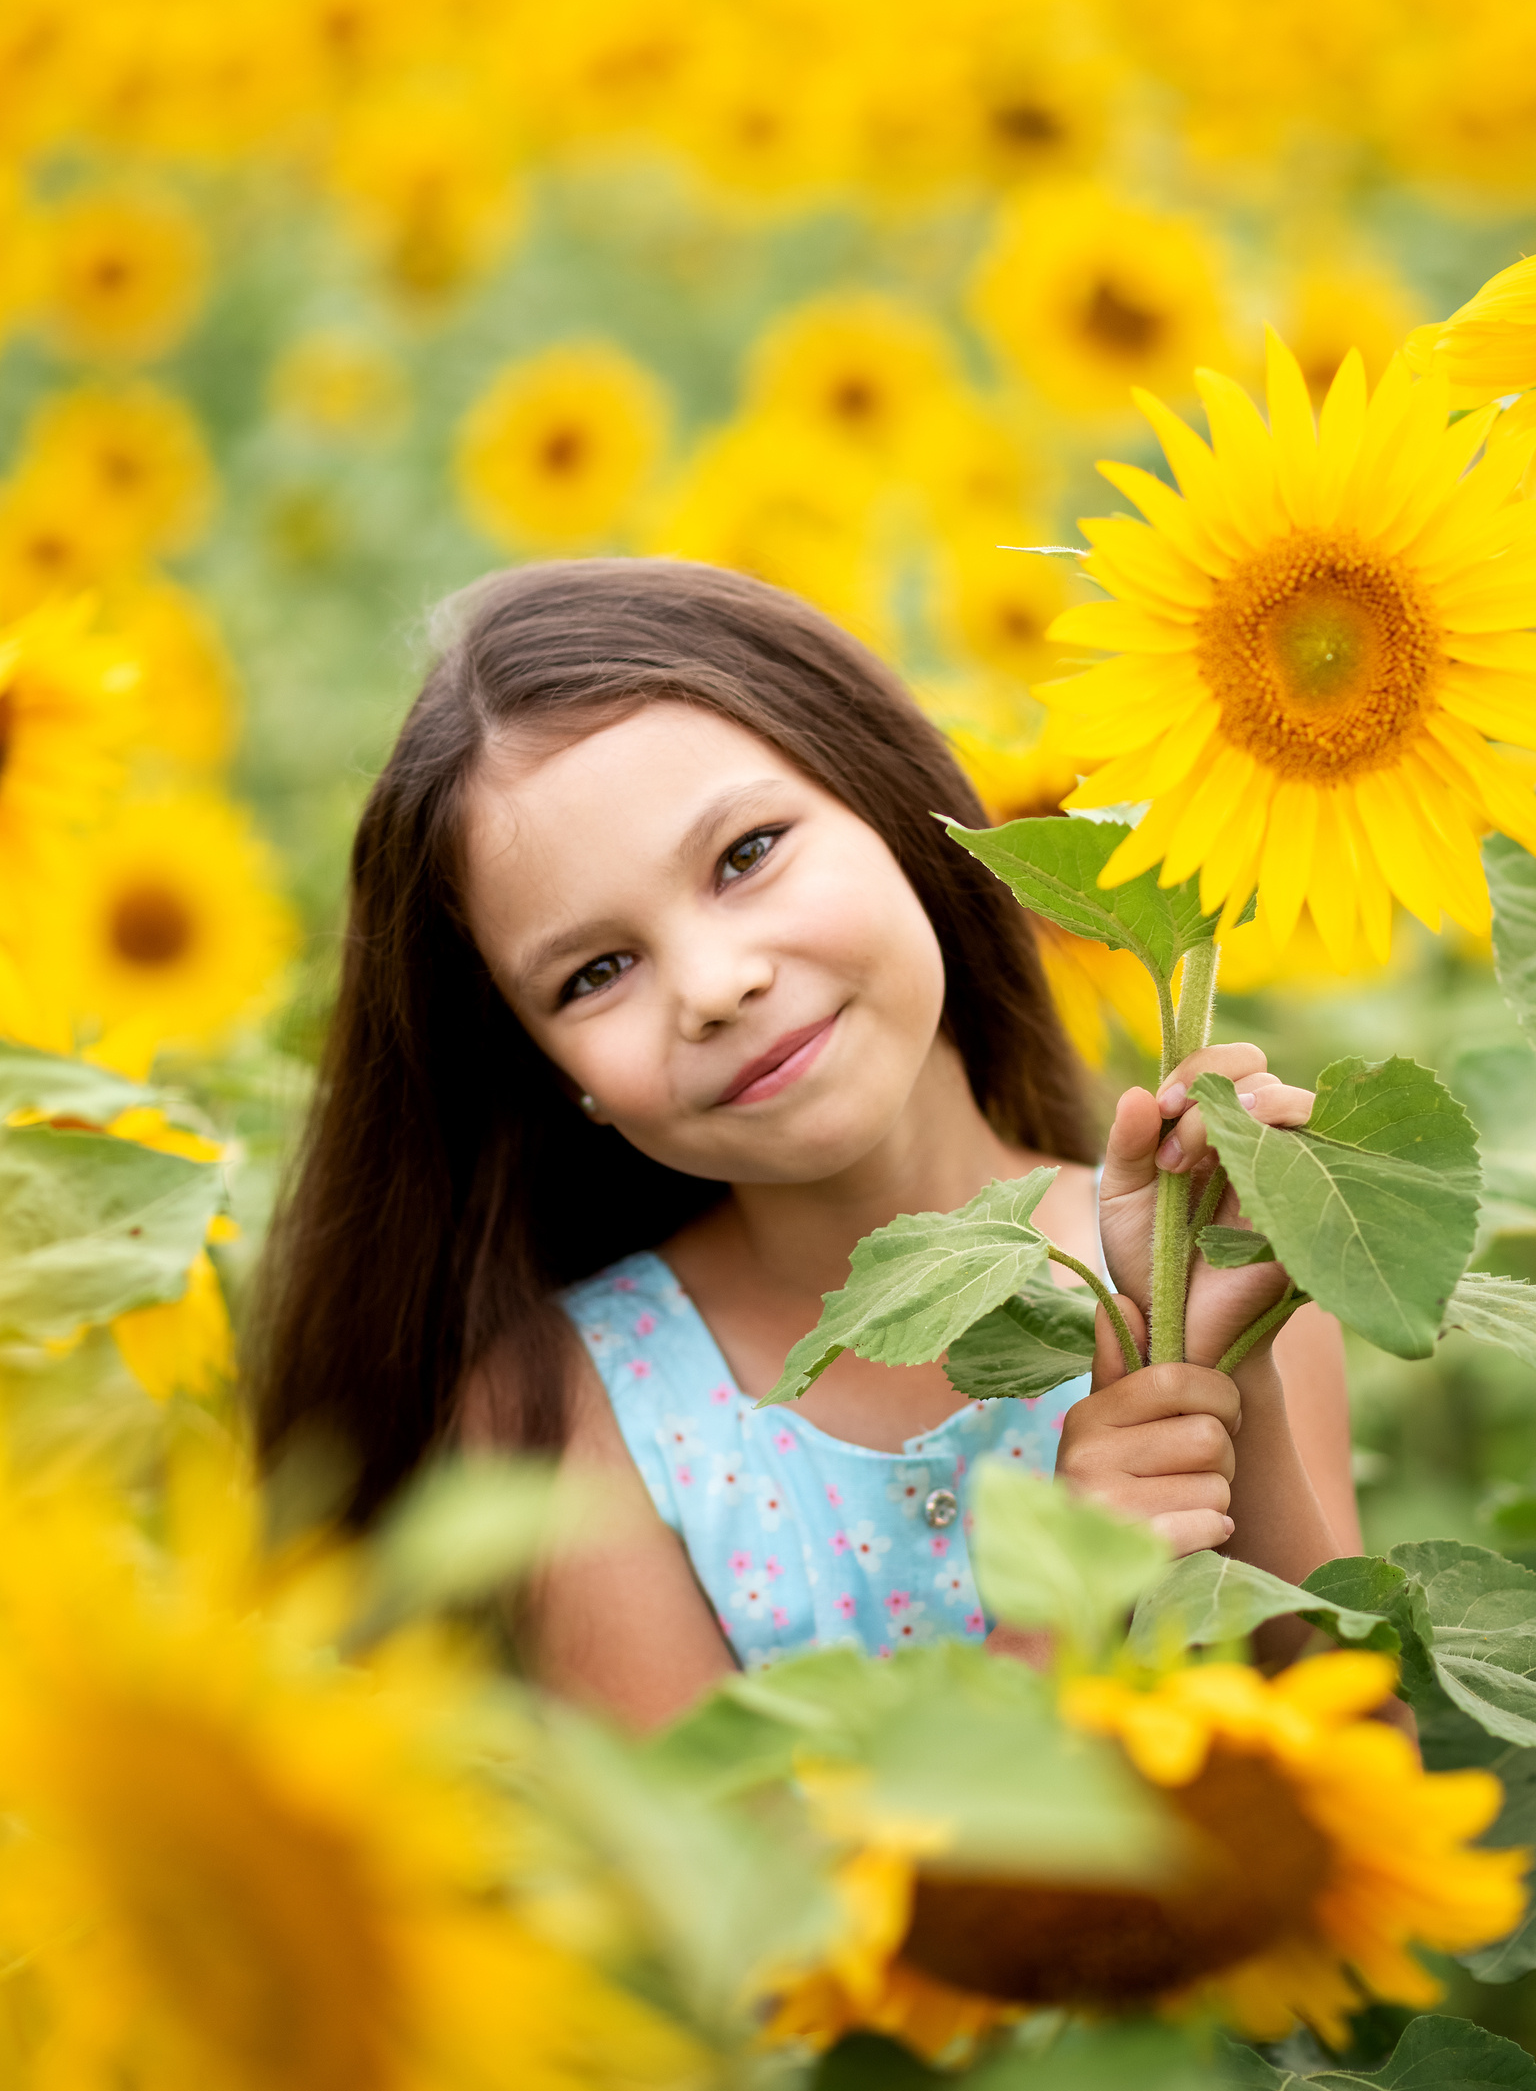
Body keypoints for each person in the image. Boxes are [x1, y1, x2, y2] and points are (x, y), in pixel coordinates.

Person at [254, 558, 1362, 1727]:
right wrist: (1065, 1607)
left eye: (746, 855)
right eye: (594, 973)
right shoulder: (563, 1414)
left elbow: (1364, 1769)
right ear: (550, 1072)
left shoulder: (1215, 1252)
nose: (715, 985)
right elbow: (754, 1898)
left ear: (891, 810)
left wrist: (1215, 1366)